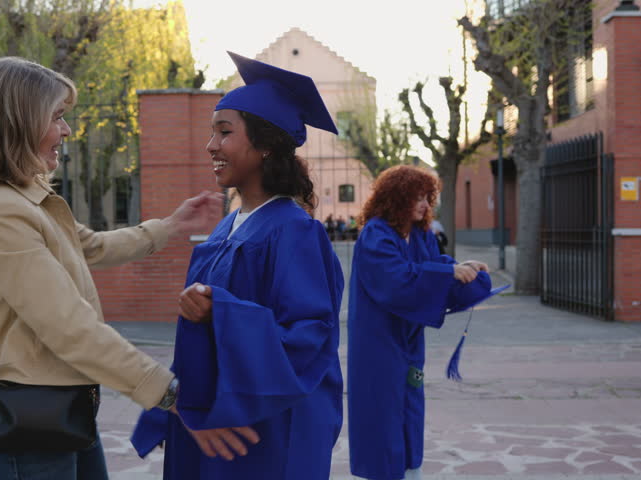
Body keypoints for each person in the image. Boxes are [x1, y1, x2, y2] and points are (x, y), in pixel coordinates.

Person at [0, 56, 223, 480]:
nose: (66, 131)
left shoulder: (26, 199)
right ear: (19, 122)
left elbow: (90, 246)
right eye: (57, 118)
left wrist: (173, 225)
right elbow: (68, 326)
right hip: (25, 429)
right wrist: (165, 389)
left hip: (61, 413)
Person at [132, 51, 345, 479]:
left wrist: (221, 310)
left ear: (265, 145)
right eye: (212, 134)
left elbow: (308, 339)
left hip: (263, 432)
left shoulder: (294, 232)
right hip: (215, 419)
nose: (211, 145)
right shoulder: (227, 228)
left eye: (224, 132)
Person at [347, 165, 488, 480]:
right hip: (378, 339)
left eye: (428, 197)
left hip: (409, 337)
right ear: (395, 198)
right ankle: (382, 473)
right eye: (417, 198)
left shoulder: (421, 233)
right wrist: (446, 273)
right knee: (381, 407)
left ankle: (411, 469)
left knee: (410, 401)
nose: (425, 205)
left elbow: (433, 265)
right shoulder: (376, 233)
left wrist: (462, 267)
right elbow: (393, 279)